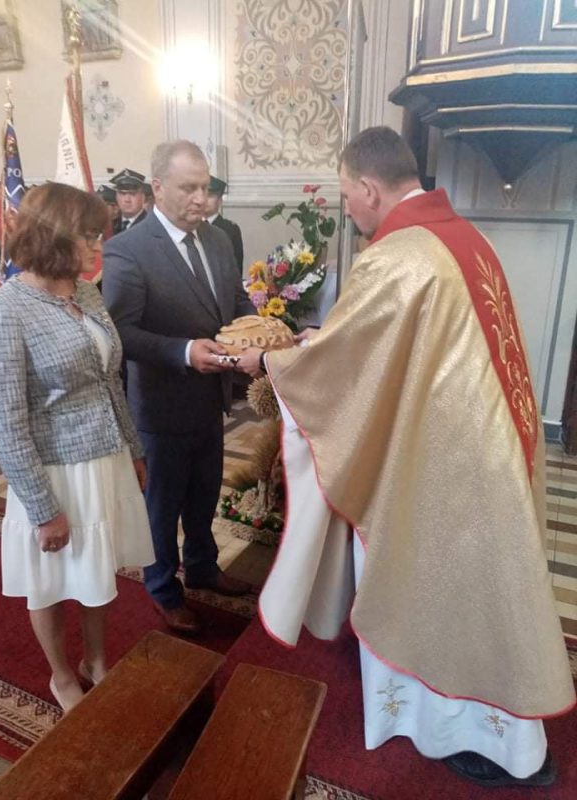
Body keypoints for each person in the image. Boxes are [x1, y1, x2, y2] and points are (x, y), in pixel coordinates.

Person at [237, 126, 576, 788]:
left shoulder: (398, 256)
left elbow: (345, 369)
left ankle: (462, 733)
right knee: (490, 596)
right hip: (488, 450)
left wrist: (272, 363)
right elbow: (387, 347)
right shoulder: (463, 238)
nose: (348, 210)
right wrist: (323, 339)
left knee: (432, 592)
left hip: (441, 470)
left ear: (368, 187)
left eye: (346, 195)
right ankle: (513, 738)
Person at [0, 183, 155, 714]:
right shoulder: (4, 312)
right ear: (53, 236)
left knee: (98, 570)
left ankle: (96, 661)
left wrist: (133, 449)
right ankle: (61, 676)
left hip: (104, 460)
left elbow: (109, 380)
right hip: (52, 472)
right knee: (50, 581)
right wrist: (41, 507)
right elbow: (6, 422)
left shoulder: (85, 292)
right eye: (87, 236)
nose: (99, 246)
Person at [103, 140, 254, 635]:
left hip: (211, 400)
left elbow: (236, 302)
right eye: (188, 188)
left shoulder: (218, 239)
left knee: (204, 495)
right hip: (161, 408)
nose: (200, 199)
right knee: (162, 508)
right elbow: (120, 334)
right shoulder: (128, 249)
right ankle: (163, 589)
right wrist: (185, 351)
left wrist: (263, 333)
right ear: (158, 187)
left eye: (205, 188)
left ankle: (204, 567)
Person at [205, 175, 244, 273]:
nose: (205, 200)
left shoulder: (230, 229)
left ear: (219, 201)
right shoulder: (191, 226)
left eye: (210, 196)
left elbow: (236, 266)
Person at [109, 168, 147, 235]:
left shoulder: (151, 224)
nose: (127, 200)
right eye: (122, 194)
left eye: (133, 194)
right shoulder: (110, 226)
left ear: (143, 198)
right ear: (116, 197)